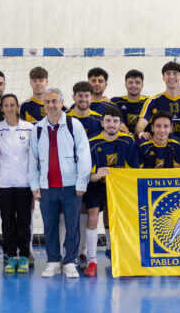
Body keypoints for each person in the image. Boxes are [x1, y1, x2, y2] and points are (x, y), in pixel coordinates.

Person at [28, 88, 91, 278]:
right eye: (47, 102)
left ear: (62, 103)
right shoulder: (38, 129)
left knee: (72, 225)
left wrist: (82, 182)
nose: (50, 105)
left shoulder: (74, 125)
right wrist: (34, 185)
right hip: (47, 187)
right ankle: (53, 260)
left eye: (54, 101)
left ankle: (70, 261)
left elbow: (84, 155)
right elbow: (33, 159)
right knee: (50, 226)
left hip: (71, 186)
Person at [86, 106, 139, 276]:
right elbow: (86, 172)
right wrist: (95, 175)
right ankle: (92, 260)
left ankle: (113, 252)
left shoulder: (128, 141)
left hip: (118, 186)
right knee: (93, 215)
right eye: (108, 121)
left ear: (120, 123)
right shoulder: (92, 141)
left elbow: (134, 169)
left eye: (115, 121)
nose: (111, 124)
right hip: (96, 185)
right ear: (102, 123)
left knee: (113, 215)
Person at [67, 81, 106, 270]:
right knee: (72, 216)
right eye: (80, 95)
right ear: (74, 97)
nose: (83, 99)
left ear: (92, 98)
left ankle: (84, 252)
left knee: (88, 213)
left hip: (93, 176)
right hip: (70, 175)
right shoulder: (64, 118)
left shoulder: (100, 120)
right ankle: (72, 253)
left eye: (86, 95)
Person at [0, 94, 34, 273]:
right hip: (3, 183)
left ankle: (24, 256)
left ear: (17, 107)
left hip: (24, 183)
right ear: (2, 108)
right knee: (7, 221)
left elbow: (35, 157)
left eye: (12, 105)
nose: (9, 108)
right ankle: (11, 256)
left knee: (24, 221)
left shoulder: (29, 128)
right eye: (6, 106)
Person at [136, 62, 180, 140]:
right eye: (168, 74)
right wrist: (141, 133)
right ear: (163, 77)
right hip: (162, 149)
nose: (172, 77)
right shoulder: (153, 101)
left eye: (175, 73)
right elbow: (140, 125)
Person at [111, 70, 149, 134]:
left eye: (137, 82)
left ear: (142, 85)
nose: (134, 85)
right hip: (123, 140)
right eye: (130, 82)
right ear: (125, 84)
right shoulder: (116, 101)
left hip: (143, 140)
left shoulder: (149, 102)